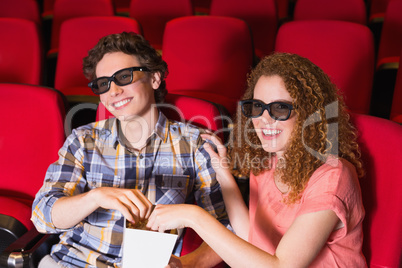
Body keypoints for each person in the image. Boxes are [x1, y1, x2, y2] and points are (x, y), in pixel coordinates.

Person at [146, 52, 367, 267]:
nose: (264, 119)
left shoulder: (333, 176)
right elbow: (251, 238)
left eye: (280, 109)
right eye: (257, 107)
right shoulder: (267, 163)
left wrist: (193, 216)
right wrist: (223, 173)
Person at [31, 32, 230, 268]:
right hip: (73, 263)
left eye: (124, 77)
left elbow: (225, 228)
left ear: (155, 78)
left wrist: (187, 265)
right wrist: (96, 197)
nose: (113, 91)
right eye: (103, 83)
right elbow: (43, 216)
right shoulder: (83, 140)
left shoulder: (194, 144)